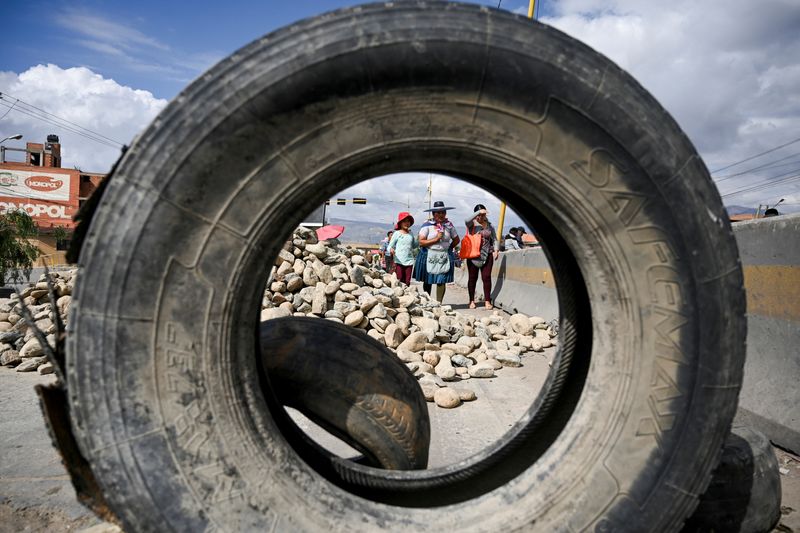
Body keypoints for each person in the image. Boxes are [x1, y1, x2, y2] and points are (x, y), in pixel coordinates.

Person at [414, 200, 460, 302]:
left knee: (441, 279)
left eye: (443, 212)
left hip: (443, 255)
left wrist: (448, 248)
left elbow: (456, 240)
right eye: (438, 212)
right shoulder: (427, 225)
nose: (441, 214)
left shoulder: (449, 225)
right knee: (428, 280)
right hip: (429, 254)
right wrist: (436, 239)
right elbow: (421, 242)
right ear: (433, 214)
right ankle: (428, 301)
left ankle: (439, 304)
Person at [465, 204, 499, 309]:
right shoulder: (472, 225)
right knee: (472, 278)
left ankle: (487, 301)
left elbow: (495, 239)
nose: (481, 217)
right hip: (473, 255)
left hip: (487, 254)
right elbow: (466, 220)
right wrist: (478, 213)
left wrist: (496, 250)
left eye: (483, 215)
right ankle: (471, 300)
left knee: (486, 277)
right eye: (480, 215)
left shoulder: (490, 225)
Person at [387, 212, 418, 286]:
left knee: (407, 282)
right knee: (399, 280)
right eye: (404, 221)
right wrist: (391, 250)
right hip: (399, 261)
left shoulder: (411, 233)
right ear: (400, 223)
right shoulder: (397, 233)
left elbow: (414, 246)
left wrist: (419, 240)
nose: (407, 223)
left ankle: (407, 296)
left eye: (408, 221)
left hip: (409, 261)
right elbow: (389, 246)